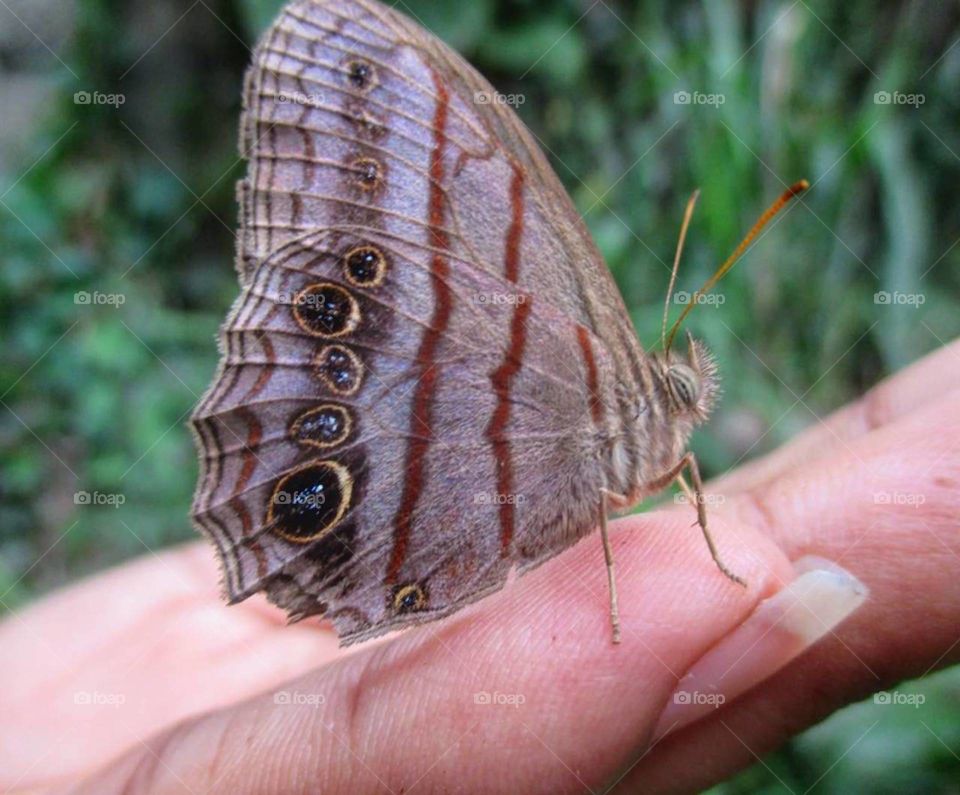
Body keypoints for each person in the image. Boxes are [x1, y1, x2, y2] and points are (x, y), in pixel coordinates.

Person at [2, 339, 957, 794]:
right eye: (677, 386)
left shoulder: (639, 434)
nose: (690, 397)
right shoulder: (594, 379)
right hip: (347, 465)